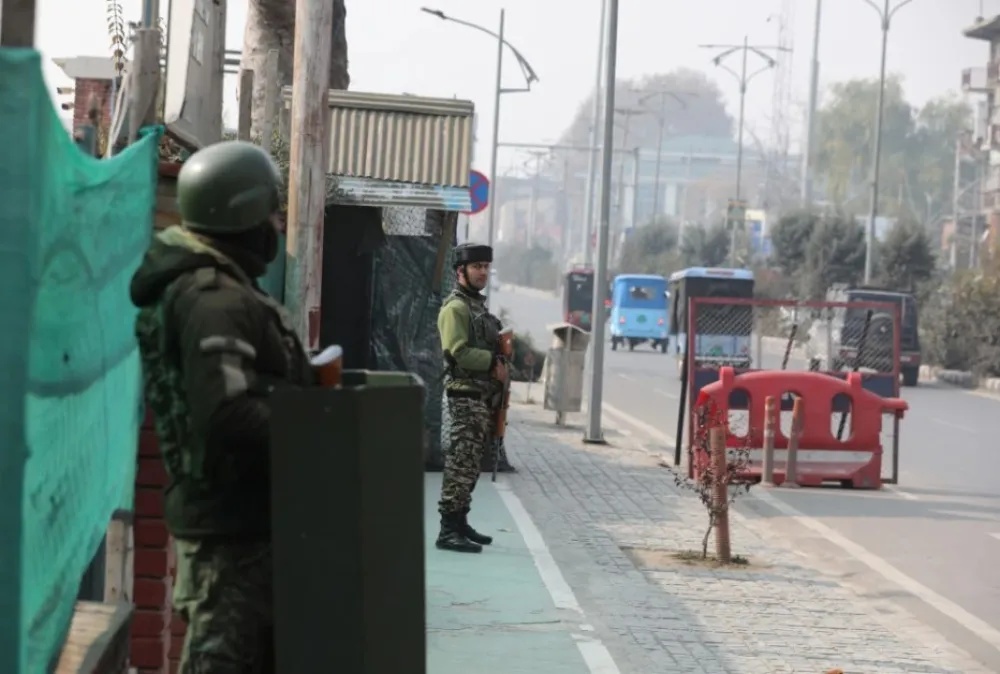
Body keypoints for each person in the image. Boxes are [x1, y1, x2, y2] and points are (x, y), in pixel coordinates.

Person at [130, 140, 314, 673]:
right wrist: (311, 422)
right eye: (271, 213)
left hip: (244, 523)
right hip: (229, 532)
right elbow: (227, 414)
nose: (277, 226)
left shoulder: (225, 285)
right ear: (243, 215)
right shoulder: (213, 298)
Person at [436, 242, 507, 553]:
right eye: (477, 267)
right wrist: (492, 362)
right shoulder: (456, 309)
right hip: (464, 397)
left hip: (481, 398)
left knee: (471, 464)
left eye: (486, 267)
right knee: (460, 464)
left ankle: (460, 521)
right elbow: (458, 352)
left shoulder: (477, 307)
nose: (483, 272)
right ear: (460, 271)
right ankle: (448, 530)